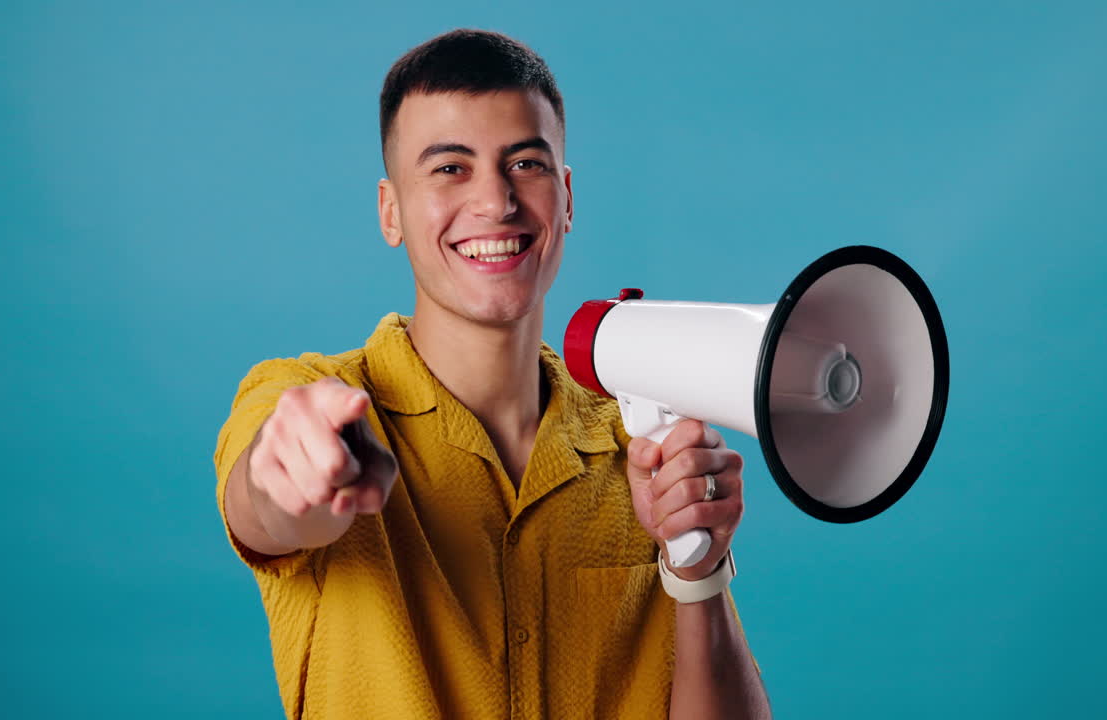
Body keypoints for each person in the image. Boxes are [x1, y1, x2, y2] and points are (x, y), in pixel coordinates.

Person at [213, 28, 771, 719]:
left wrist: (697, 570)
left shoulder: (642, 449)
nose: (496, 202)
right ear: (391, 211)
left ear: (566, 198)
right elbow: (260, 508)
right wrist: (291, 473)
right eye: (450, 168)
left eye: (526, 164)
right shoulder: (304, 395)